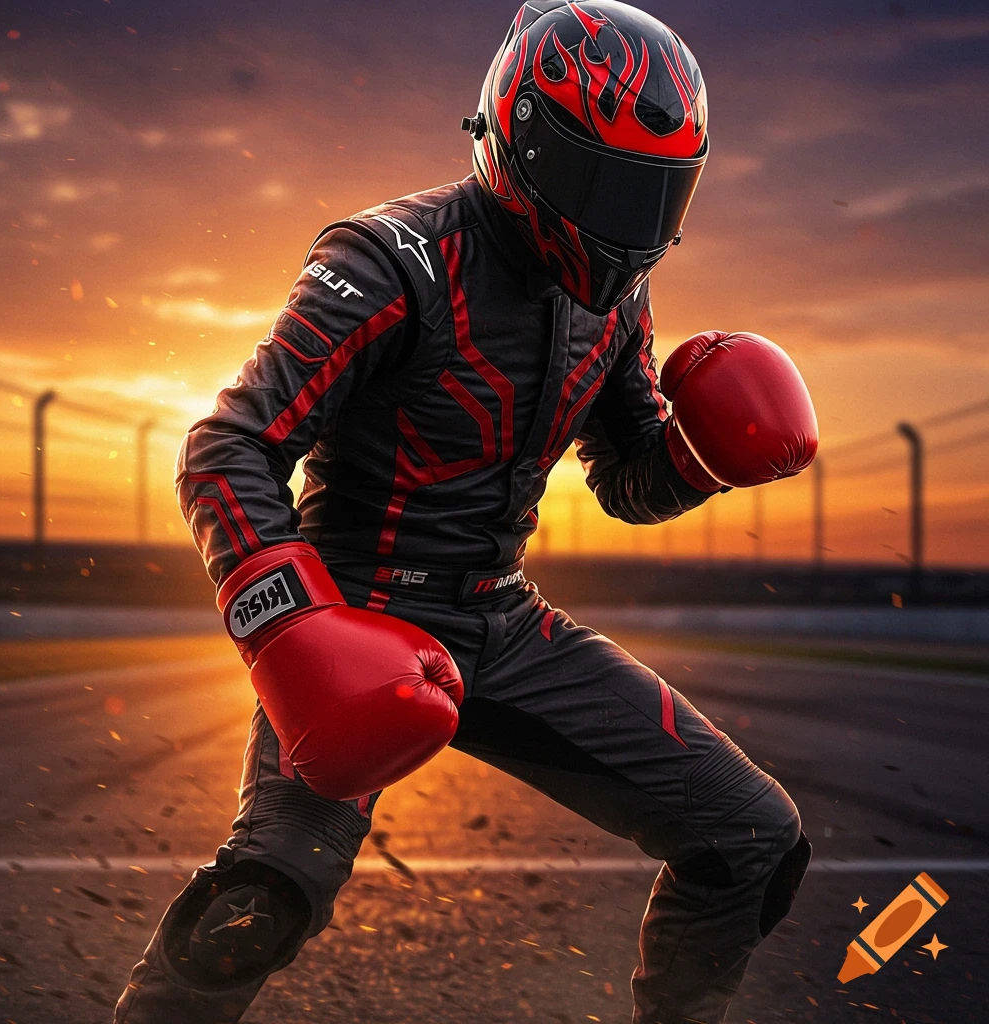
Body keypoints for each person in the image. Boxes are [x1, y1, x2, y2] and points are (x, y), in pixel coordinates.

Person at [115, 2, 819, 1021]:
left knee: (752, 841)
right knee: (256, 905)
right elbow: (227, 448)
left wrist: (703, 456)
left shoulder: (615, 300)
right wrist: (297, 628)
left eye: (654, 191)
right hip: (354, 614)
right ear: (522, 137)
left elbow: (626, 480)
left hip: (499, 620)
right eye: (605, 182)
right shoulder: (388, 259)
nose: (626, 218)